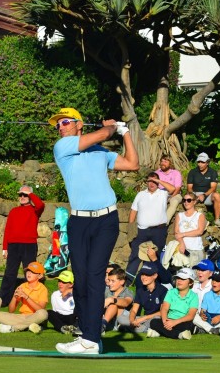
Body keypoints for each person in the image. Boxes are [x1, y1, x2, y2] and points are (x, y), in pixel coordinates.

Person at [49, 107, 138, 355]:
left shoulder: (100, 152)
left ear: (79, 124)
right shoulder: (63, 147)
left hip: (105, 220)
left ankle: (89, 339)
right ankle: (89, 338)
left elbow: (132, 163)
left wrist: (126, 132)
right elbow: (101, 135)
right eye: (58, 124)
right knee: (82, 281)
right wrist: (112, 128)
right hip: (79, 222)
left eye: (65, 122)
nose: (61, 127)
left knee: (96, 276)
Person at [0, 185, 45, 306]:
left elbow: (40, 204)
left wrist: (30, 194)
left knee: (30, 274)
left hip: (29, 245)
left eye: (25, 195)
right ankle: (3, 300)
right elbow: (7, 230)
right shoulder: (13, 211)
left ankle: (30, 299)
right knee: (10, 272)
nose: (23, 197)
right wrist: (5, 247)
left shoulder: (35, 210)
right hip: (13, 246)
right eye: (21, 195)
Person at [126, 172, 175, 280]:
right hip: (142, 230)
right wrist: (130, 227)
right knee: (135, 254)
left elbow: (173, 189)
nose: (152, 183)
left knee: (156, 255)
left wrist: (159, 181)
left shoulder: (163, 193)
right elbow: (134, 210)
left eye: (154, 181)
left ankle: (155, 279)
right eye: (149, 181)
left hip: (158, 230)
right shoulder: (141, 194)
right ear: (146, 182)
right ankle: (128, 281)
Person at [0, 261, 49, 333]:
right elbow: (11, 311)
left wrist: (26, 297)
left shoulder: (43, 289)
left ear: (40, 276)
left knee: (43, 314)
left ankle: (14, 328)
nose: (29, 273)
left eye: (33, 272)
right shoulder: (22, 286)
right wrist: (14, 297)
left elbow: (40, 309)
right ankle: (28, 326)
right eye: (28, 271)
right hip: (22, 317)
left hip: (34, 316)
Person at [147, 267, 198, 340]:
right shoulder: (171, 292)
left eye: (183, 279)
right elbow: (164, 308)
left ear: (191, 283)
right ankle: (179, 335)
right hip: (168, 320)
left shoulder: (194, 296)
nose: (179, 281)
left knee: (187, 326)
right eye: (178, 278)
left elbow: (190, 315)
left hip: (182, 321)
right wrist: (165, 321)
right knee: (154, 322)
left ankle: (159, 333)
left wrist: (174, 322)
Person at [118, 262, 167, 333]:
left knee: (155, 320)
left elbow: (162, 312)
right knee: (120, 318)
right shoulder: (140, 290)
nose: (144, 277)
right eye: (142, 274)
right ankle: (145, 329)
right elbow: (134, 310)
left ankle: (131, 328)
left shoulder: (163, 290)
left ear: (155, 276)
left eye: (147, 275)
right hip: (143, 319)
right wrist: (132, 321)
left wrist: (144, 318)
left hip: (156, 318)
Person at [187, 152, 220, 228]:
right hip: (195, 193)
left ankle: (217, 220)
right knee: (188, 197)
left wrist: (204, 195)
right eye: (199, 162)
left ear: (207, 162)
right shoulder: (192, 172)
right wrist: (194, 196)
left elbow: (213, 187)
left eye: (202, 162)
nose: (200, 164)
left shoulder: (212, 172)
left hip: (207, 195)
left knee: (217, 195)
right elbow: (189, 188)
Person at [193, 268, 220, 335]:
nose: (214, 282)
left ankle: (206, 329)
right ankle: (213, 330)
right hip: (208, 320)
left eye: (217, 280)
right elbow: (202, 311)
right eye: (213, 279)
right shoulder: (207, 295)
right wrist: (202, 315)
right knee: (194, 316)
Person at [175, 193, 207, 268]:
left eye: (189, 200)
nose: (186, 202)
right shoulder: (179, 215)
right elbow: (177, 232)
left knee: (195, 276)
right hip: (182, 249)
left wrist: (183, 234)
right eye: (184, 200)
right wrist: (182, 244)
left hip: (195, 249)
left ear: (194, 202)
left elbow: (199, 231)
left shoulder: (199, 215)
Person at [101, 267, 134, 334]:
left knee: (113, 305)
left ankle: (102, 325)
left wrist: (112, 300)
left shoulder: (127, 292)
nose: (110, 283)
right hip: (106, 320)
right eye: (109, 280)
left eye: (113, 281)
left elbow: (126, 302)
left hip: (120, 320)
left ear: (122, 282)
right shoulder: (107, 291)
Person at [155, 155, 183, 223]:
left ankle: (164, 223)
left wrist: (170, 197)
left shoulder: (176, 173)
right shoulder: (157, 173)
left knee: (174, 202)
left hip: (175, 194)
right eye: (162, 161)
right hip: (161, 193)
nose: (163, 163)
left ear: (170, 163)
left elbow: (178, 188)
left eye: (165, 161)